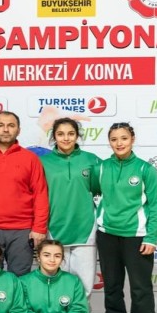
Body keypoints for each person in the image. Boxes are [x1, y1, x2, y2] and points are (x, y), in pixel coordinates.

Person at [94, 122, 157, 313]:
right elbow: (92, 192)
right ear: (109, 142)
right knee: (112, 284)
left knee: (140, 286)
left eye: (124, 138)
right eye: (114, 139)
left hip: (137, 236)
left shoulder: (145, 169)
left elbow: (156, 205)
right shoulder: (101, 168)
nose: (119, 143)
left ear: (132, 139)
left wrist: (151, 237)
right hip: (107, 234)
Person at [0, 111, 49, 276]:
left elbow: (40, 194)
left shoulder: (31, 158)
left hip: (22, 230)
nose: (6, 129)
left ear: (19, 130)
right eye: (0, 125)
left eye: (11, 125)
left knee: (20, 278)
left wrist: (39, 227)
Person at [40, 118, 102, 296]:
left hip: (85, 229)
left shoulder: (91, 160)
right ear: (54, 137)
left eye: (71, 134)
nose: (66, 138)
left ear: (77, 136)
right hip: (54, 228)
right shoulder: (42, 162)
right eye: (60, 134)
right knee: (55, 284)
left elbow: (100, 189)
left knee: (84, 287)